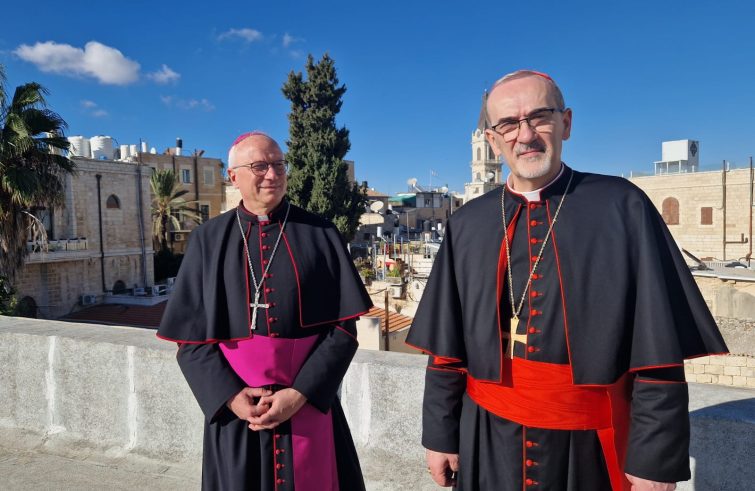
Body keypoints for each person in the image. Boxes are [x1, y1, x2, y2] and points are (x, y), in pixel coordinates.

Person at [406, 70, 728, 491]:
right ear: (493, 140)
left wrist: (655, 459)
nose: (525, 135)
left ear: (567, 123)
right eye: (509, 124)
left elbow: (658, 352)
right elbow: (446, 348)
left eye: (539, 117)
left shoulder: (623, 207)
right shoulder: (467, 223)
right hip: (486, 438)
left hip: (588, 447)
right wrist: (439, 434)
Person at [158, 131, 372, 491]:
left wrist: (300, 393)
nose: (272, 174)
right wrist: (231, 397)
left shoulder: (321, 233)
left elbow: (343, 329)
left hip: (307, 403)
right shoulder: (208, 240)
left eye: (278, 165)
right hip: (238, 413)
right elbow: (190, 340)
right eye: (259, 166)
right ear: (233, 176)